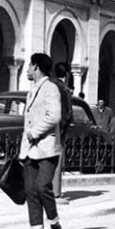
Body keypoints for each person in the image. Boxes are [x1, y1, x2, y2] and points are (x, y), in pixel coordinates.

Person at [18, 53, 67, 229]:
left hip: (47, 147)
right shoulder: (33, 89)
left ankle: (55, 225)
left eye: (30, 65)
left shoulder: (50, 88)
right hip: (30, 149)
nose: (28, 69)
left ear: (36, 67)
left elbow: (54, 116)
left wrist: (34, 133)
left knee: (42, 186)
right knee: (30, 189)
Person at [50, 62, 73, 205]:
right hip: (58, 128)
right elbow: (67, 112)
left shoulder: (50, 85)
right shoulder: (64, 89)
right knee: (57, 161)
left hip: (48, 127)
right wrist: (64, 126)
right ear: (67, 74)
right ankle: (55, 193)